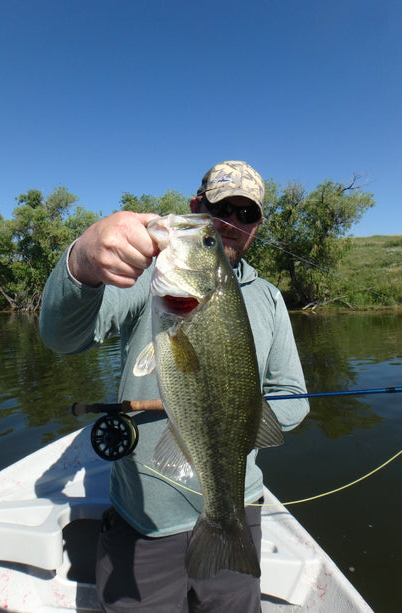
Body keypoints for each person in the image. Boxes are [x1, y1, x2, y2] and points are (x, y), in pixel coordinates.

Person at [40, 160, 309, 613]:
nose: (232, 224)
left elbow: (293, 401)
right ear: (197, 206)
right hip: (145, 522)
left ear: (258, 226)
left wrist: (231, 412)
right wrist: (82, 260)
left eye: (248, 215)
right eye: (221, 210)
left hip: (238, 509)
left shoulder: (267, 297)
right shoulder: (145, 278)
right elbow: (62, 338)